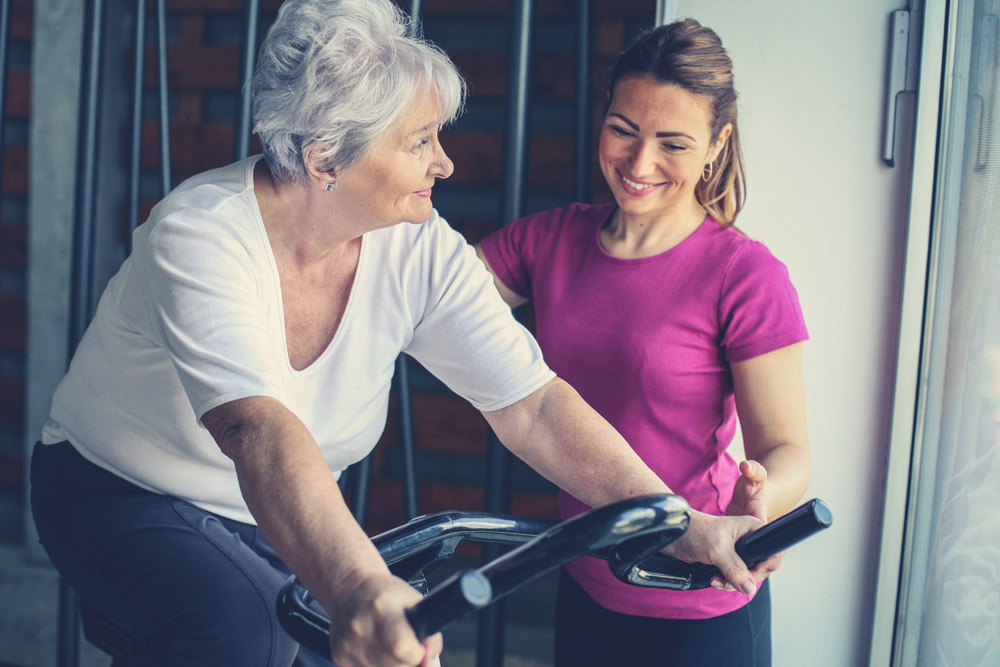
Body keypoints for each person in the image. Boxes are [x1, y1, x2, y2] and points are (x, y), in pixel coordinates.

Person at [30, 4, 767, 667]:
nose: (443, 162)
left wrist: (679, 520)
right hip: (119, 488)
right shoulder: (201, 235)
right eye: (419, 141)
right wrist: (356, 584)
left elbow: (533, 406)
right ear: (325, 157)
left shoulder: (417, 247)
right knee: (248, 626)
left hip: (262, 515)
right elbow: (257, 428)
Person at [476, 18, 812, 667]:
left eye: (673, 144)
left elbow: (787, 446)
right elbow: (436, 296)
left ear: (718, 144)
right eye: (623, 130)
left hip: (700, 604)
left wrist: (764, 498)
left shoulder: (746, 275)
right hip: (586, 584)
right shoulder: (550, 240)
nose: (638, 164)